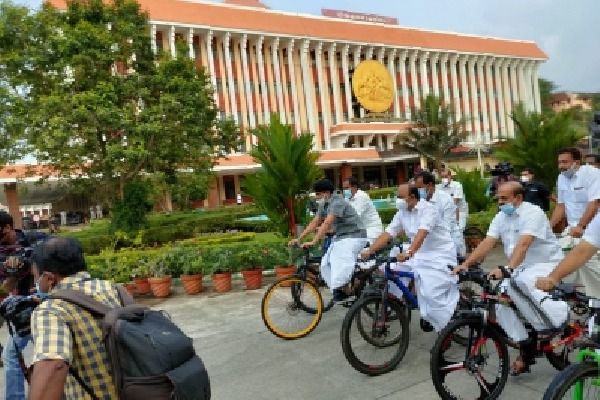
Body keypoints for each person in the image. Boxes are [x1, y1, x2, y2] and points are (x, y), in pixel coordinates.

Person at [453, 182, 569, 375]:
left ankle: (554, 321)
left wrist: (507, 268)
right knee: (500, 301)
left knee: (517, 284)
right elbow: (488, 242)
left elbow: (523, 244)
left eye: (504, 198)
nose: (499, 202)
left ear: (518, 198)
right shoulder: (501, 217)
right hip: (520, 267)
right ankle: (525, 345)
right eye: (498, 198)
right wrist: (466, 264)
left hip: (547, 264)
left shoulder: (533, 213)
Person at [28, 237, 121, 399]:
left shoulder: (51, 310)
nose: (35, 283)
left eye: (36, 277)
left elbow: (54, 366)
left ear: (49, 278)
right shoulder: (114, 289)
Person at [361, 184, 459, 332]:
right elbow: (389, 232)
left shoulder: (428, 210)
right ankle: (401, 300)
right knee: (387, 270)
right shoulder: (402, 212)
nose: (397, 199)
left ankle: (446, 328)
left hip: (438, 255)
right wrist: (370, 250)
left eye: (400, 196)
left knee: (432, 294)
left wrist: (410, 252)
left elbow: (422, 232)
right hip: (417, 254)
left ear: (412, 197)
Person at [288, 179, 367, 302]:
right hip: (341, 237)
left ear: (326, 193)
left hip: (355, 236)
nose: (316, 197)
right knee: (325, 263)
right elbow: (315, 222)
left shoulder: (337, 201)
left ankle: (346, 288)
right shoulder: (324, 203)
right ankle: (345, 290)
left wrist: (313, 242)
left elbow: (327, 222)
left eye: (318, 194)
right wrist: (299, 238)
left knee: (338, 259)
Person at [549, 147, 600, 297]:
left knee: (587, 262)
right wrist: (546, 228)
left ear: (576, 162)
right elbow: (561, 206)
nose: (561, 166)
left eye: (565, 162)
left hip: (591, 227)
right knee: (555, 255)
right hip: (572, 229)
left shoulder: (592, 173)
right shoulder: (562, 178)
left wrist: (581, 226)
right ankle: (575, 295)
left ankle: (596, 298)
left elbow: (595, 203)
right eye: (559, 162)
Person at [0, 212, 34, 400]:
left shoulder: (33, 240)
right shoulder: (2, 253)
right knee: (12, 355)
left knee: (12, 356)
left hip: (43, 303)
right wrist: (13, 273)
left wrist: (28, 264)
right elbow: (5, 289)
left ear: (7, 227)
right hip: (21, 309)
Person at [415, 171, 466, 256]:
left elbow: (447, 226)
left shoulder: (445, 200)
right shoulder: (422, 201)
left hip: (449, 242)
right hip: (432, 245)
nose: (418, 191)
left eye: (420, 187)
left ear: (430, 185)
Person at [342, 176, 383, 243]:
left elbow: (354, 217)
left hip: (371, 231)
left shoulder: (361, 196)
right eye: (343, 188)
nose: (344, 191)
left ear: (354, 187)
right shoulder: (348, 198)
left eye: (346, 188)